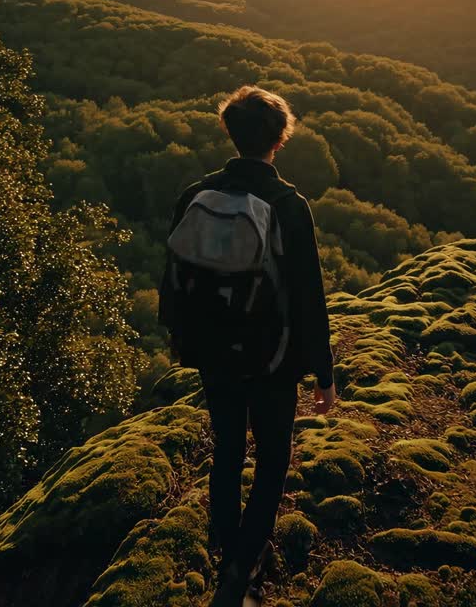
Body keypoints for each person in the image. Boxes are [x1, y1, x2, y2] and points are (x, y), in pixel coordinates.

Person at [159, 85, 336, 607]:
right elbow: (309, 297)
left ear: (230, 133)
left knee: (228, 450)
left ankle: (226, 551)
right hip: (273, 359)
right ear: (281, 138)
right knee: (273, 455)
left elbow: (176, 279)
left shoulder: (194, 195)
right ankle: (244, 566)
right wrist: (323, 375)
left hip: (212, 351)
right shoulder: (287, 204)